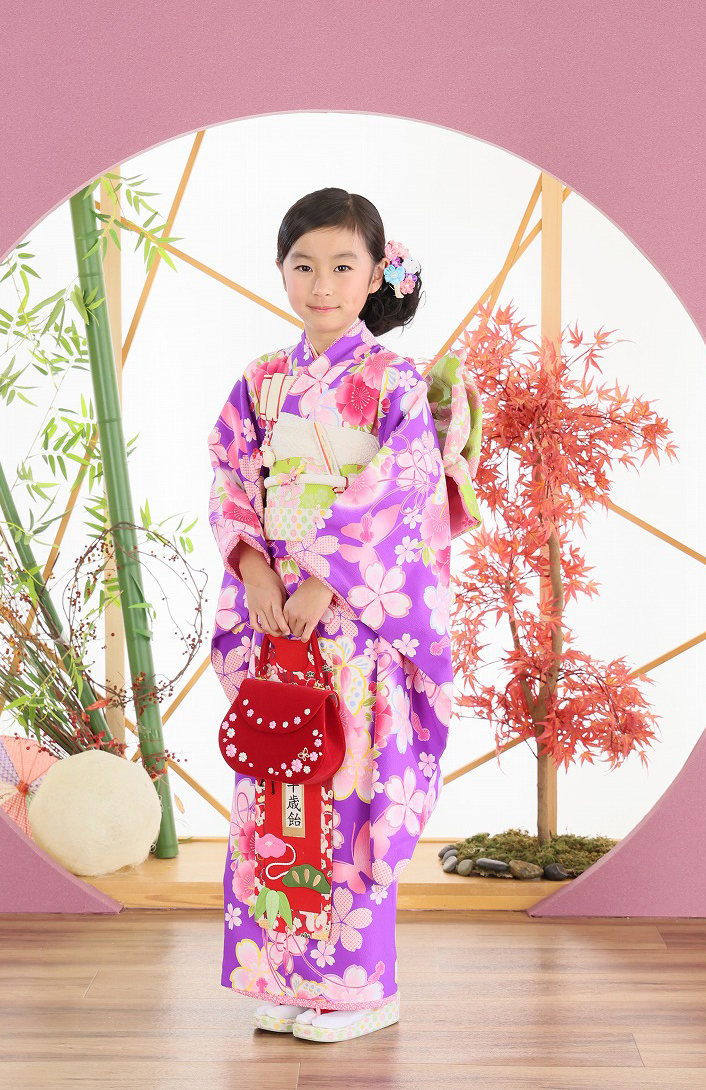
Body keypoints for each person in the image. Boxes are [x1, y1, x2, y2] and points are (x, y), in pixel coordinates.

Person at [207, 187, 481, 1043]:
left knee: (349, 787)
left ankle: (362, 989)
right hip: (276, 617)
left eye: (340, 266)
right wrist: (254, 569)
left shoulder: (394, 380)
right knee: (276, 782)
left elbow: (402, 493)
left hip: (358, 620)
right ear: (281, 271)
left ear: (373, 278)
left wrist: (323, 581)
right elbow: (230, 477)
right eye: (303, 266)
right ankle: (287, 977)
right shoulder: (261, 379)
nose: (320, 284)